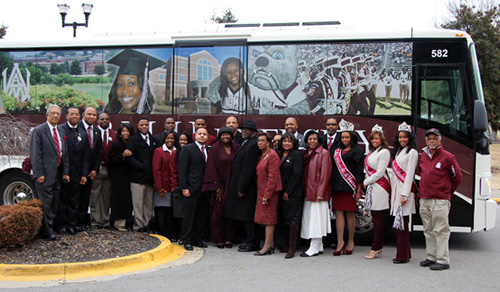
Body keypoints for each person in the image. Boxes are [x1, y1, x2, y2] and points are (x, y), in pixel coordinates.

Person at [418, 128, 462, 271]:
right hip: (424, 198)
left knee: (441, 230)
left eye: (435, 138)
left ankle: (443, 260)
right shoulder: (423, 156)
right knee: (428, 230)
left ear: (440, 140)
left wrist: (447, 192)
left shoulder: (448, 157)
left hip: (440, 199)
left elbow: (457, 177)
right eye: (429, 138)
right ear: (426, 141)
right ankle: (431, 257)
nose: (432, 141)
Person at [30, 104, 70, 240]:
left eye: (58, 114)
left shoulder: (61, 131)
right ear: (47, 115)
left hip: (58, 174)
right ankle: (47, 232)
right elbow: (35, 154)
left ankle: (50, 228)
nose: (55, 116)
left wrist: (65, 172)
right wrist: (39, 173)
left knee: (54, 203)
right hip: (45, 175)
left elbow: (64, 153)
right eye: (52, 113)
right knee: (46, 204)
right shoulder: (39, 131)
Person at [225, 120, 261, 252]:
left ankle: (253, 243)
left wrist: (241, 188)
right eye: (243, 129)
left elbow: (248, 168)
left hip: (247, 189)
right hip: (243, 187)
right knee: (245, 217)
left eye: (247, 129)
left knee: (248, 217)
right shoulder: (246, 143)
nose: (244, 131)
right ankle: (250, 241)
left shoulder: (252, 145)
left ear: (253, 132)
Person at [203, 127, 240, 248]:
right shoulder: (214, 149)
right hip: (219, 186)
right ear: (220, 136)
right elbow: (211, 168)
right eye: (223, 135)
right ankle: (219, 239)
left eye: (228, 135)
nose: (225, 137)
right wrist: (217, 186)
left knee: (231, 213)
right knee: (217, 214)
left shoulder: (236, 147)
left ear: (231, 136)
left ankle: (229, 239)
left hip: (232, 185)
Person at [331, 119, 364, 256]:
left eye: (347, 137)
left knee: (350, 214)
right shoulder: (336, 150)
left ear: (352, 137)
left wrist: (359, 189)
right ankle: (340, 242)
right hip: (337, 187)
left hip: (350, 187)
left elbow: (359, 171)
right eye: (343, 137)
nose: (344, 139)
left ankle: (350, 241)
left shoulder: (357, 151)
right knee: (338, 213)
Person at [55, 106, 89, 235]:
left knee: (75, 200)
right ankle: (61, 225)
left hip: (77, 172)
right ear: (67, 116)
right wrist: (65, 172)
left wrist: (84, 174)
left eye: (77, 114)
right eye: (72, 114)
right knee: (62, 200)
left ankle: (71, 224)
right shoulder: (60, 130)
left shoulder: (82, 133)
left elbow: (86, 157)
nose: (75, 116)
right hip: (63, 171)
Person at [300, 130, 332, 257]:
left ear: (318, 140)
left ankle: (314, 246)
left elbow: (325, 175)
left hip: (318, 193)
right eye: (310, 139)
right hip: (308, 190)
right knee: (310, 218)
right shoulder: (307, 153)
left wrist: (320, 192)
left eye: (314, 139)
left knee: (316, 220)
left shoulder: (324, 153)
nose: (312, 141)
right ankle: (319, 245)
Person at [390, 122, 418, 264]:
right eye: (400, 137)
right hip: (396, 192)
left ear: (410, 138)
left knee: (402, 226)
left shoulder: (412, 152)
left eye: (405, 137)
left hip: (404, 193)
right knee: (400, 225)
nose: (402, 140)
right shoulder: (398, 151)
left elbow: (409, 175)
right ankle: (405, 253)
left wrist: (404, 195)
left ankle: (402, 256)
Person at [104, 49, 165, 114]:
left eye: (131, 84)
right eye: (120, 85)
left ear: (143, 88)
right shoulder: (109, 116)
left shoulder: (146, 119)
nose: (125, 90)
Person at [178, 128, 210, 251]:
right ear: (195, 136)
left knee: (201, 216)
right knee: (189, 216)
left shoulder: (208, 150)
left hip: (203, 189)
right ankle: (186, 239)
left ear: (207, 137)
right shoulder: (188, 149)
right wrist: (184, 187)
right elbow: (182, 170)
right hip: (190, 189)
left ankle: (197, 239)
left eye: (204, 134)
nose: (202, 136)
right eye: (200, 134)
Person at [363, 125, 391, 259]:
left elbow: (380, 172)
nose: (374, 141)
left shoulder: (384, 152)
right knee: (375, 219)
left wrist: (366, 182)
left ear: (382, 139)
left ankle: (376, 248)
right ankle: (377, 247)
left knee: (379, 220)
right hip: (373, 187)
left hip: (380, 187)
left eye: (376, 138)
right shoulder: (372, 152)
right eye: (372, 139)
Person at [253, 132, 282, 256]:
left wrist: (267, 195)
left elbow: (273, 177)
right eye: (258, 141)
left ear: (268, 143)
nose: (260, 143)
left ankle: (268, 245)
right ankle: (270, 243)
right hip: (262, 190)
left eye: (262, 141)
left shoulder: (272, 156)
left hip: (270, 192)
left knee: (269, 219)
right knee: (264, 218)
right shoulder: (262, 155)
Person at [126, 117, 157, 232]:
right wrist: (141, 166)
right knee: (138, 203)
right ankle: (138, 225)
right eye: (142, 125)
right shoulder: (133, 140)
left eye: (146, 125)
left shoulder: (153, 139)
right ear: (138, 126)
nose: (144, 127)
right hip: (137, 177)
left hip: (149, 178)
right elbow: (129, 157)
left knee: (148, 204)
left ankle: (146, 224)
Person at [276, 132, 304, 258]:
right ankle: (283, 244)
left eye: (289, 141)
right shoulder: (279, 154)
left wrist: (288, 191)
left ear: (294, 143)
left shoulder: (297, 155)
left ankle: (292, 248)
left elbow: (297, 174)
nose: (286, 143)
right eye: (284, 141)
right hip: (280, 191)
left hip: (293, 193)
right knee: (283, 218)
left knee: (293, 220)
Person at [89, 112, 116, 229]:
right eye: (102, 119)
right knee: (95, 197)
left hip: (109, 170)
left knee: (106, 198)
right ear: (98, 121)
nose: (104, 121)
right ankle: (95, 221)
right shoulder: (93, 133)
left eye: (107, 119)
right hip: (97, 169)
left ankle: (105, 221)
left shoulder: (114, 134)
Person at [77, 106, 102, 231]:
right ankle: (72, 223)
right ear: (83, 115)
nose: (92, 117)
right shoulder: (77, 129)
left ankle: (81, 223)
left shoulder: (97, 131)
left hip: (90, 171)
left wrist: (95, 169)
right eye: (89, 114)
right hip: (77, 170)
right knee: (75, 197)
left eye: (94, 115)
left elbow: (98, 152)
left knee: (85, 198)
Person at [152, 130, 178, 241]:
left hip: (174, 187)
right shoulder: (159, 151)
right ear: (164, 139)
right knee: (161, 211)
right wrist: (159, 187)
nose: (170, 140)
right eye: (168, 138)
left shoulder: (177, 151)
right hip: (162, 187)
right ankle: (163, 235)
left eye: (172, 138)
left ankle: (171, 233)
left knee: (171, 212)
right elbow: (156, 170)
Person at [109, 123, 134, 231]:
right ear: (119, 133)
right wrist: (122, 156)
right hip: (118, 177)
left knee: (128, 200)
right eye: (123, 131)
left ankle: (127, 222)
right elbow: (111, 160)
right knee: (119, 200)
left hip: (130, 175)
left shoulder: (132, 144)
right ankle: (118, 223)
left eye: (127, 131)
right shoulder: (116, 145)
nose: (125, 133)